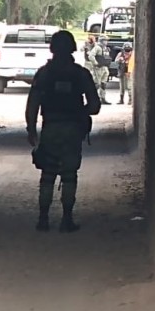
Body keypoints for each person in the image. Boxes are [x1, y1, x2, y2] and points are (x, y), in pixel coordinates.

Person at [26, 30, 101, 232]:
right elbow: (94, 105)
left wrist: (31, 129)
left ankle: (43, 219)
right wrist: (79, 112)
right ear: (72, 50)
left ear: (52, 49)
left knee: (47, 173)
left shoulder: (44, 74)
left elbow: (33, 103)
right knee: (69, 175)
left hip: (50, 128)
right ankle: (66, 219)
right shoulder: (80, 74)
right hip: (72, 130)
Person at [86, 35, 112, 105]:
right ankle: (92, 99)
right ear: (101, 41)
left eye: (106, 40)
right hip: (98, 68)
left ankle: (103, 98)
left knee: (104, 84)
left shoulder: (106, 48)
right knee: (97, 84)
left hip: (105, 67)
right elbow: (91, 56)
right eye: (105, 40)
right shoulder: (97, 48)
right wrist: (96, 63)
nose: (106, 42)